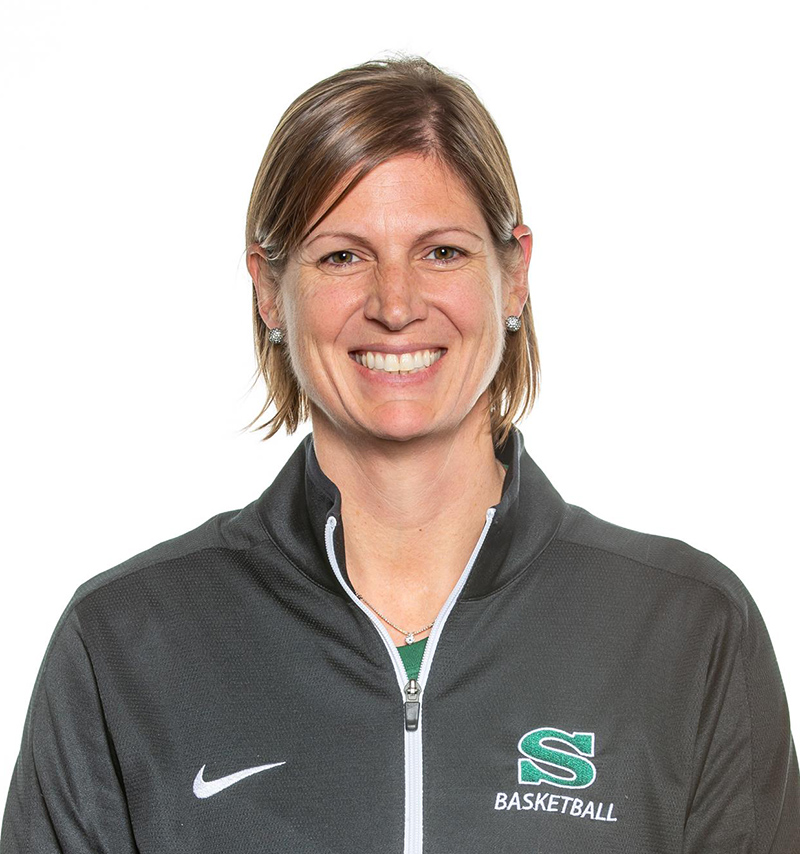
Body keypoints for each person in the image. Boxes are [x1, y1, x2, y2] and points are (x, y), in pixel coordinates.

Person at [1, 55, 798, 854]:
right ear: (269, 291)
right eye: (342, 256)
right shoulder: (122, 646)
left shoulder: (688, 633)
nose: (395, 305)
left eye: (441, 252)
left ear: (513, 273)